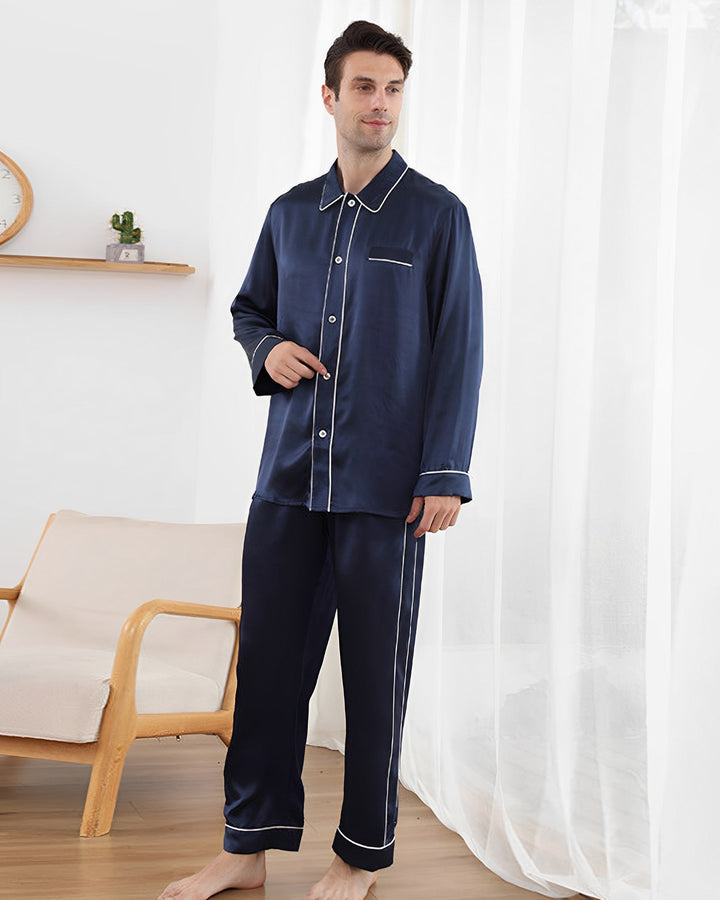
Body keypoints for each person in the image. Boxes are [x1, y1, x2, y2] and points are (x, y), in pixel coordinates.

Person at [159, 20, 483, 900]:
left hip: (389, 492)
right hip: (290, 480)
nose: (380, 105)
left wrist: (444, 472)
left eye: (394, 90)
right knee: (269, 669)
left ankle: (359, 860)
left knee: (376, 676)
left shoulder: (438, 215)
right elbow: (247, 309)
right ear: (331, 96)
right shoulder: (290, 213)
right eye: (366, 88)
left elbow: (460, 350)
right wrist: (265, 349)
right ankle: (245, 848)